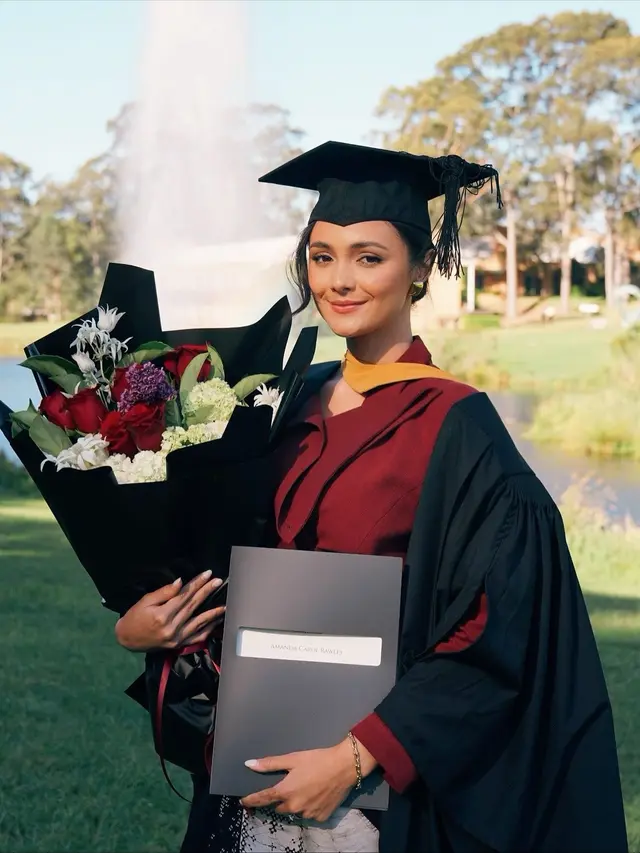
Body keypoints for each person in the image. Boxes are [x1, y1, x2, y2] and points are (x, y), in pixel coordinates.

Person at [115, 141, 628, 853]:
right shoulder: (283, 399)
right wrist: (149, 625)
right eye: (322, 257)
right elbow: (226, 564)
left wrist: (358, 755)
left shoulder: (456, 425)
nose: (339, 280)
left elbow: (495, 625)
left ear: (420, 269)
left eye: (368, 257)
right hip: (251, 757)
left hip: (375, 790)